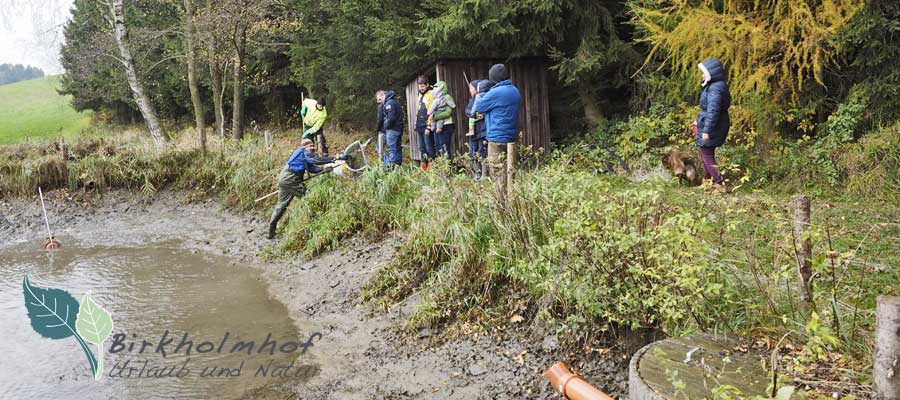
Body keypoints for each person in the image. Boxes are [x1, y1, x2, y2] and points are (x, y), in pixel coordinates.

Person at [268, 138, 346, 239]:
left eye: (313, 146)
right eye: (310, 146)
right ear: (304, 147)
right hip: (291, 179)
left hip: (284, 179)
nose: (312, 148)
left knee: (281, 205)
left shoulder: (304, 155)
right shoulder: (303, 152)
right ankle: (316, 222)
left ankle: (271, 231)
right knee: (309, 197)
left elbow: (312, 169)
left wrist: (324, 169)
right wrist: (333, 159)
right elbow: (316, 160)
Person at [475, 64, 521, 196]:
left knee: (497, 170)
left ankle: (501, 201)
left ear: (493, 78)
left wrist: (479, 93)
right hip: (512, 136)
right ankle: (512, 196)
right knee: (510, 169)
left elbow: (479, 106)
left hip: (496, 137)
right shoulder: (515, 91)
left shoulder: (495, 92)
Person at [694, 58, 731, 194]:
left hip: (713, 125)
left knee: (707, 154)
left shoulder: (715, 89)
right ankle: (707, 182)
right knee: (706, 153)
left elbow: (713, 111)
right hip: (711, 123)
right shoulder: (715, 86)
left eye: (704, 73)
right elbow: (708, 110)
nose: (702, 75)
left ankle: (720, 184)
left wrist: (707, 130)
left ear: (711, 74)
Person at [465, 79, 492, 179]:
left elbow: (488, 112)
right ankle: (477, 173)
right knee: (472, 152)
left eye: (471, 88)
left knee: (482, 151)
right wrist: (475, 115)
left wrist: (483, 115)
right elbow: (467, 111)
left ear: (477, 89)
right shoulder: (472, 100)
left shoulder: (484, 98)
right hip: (473, 131)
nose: (470, 91)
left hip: (482, 130)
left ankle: (484, 174)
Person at [427, 80, 456, 160]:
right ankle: (442, 169)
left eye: (436, 87)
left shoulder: (447, 97)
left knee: (444, 148)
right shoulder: (436, 98)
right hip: (438, 126)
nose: (434, 89)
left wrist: (434, 117)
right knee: (438, 147)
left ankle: (448, 169)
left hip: (447, 125)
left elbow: (448, 113)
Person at [415, 76, 436, 169]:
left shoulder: (430, 94)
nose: (421, 88)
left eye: (423, 86)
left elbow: (432, 112)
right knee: (422, 148)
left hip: (426, 125)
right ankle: (423, 167)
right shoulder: (419, 95)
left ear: (427, 85)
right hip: (419, 125)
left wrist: (429, 126)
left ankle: (433, 167)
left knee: (429, 147)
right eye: (420, 86)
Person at [380, 89, 404, 167]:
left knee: (392, 149)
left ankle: (392, 169)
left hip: (393, 130)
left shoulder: (389, 103)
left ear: (383, 95)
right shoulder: (395, 101)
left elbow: (391, 118)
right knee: (397, 148)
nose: (379, 101)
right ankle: (398, 166)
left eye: (380, 99)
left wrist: (386, 125)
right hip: (398, 128)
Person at [374, 90, 386, 164]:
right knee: (384, 149)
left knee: (379, 149)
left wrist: (377, 129)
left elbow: (380, 119)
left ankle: (384, 165)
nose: (378, 101)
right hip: (387, 130)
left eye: (379, 99)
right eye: (377, 100)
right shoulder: (386, 104)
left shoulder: (381, 106)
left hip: (383, 131)